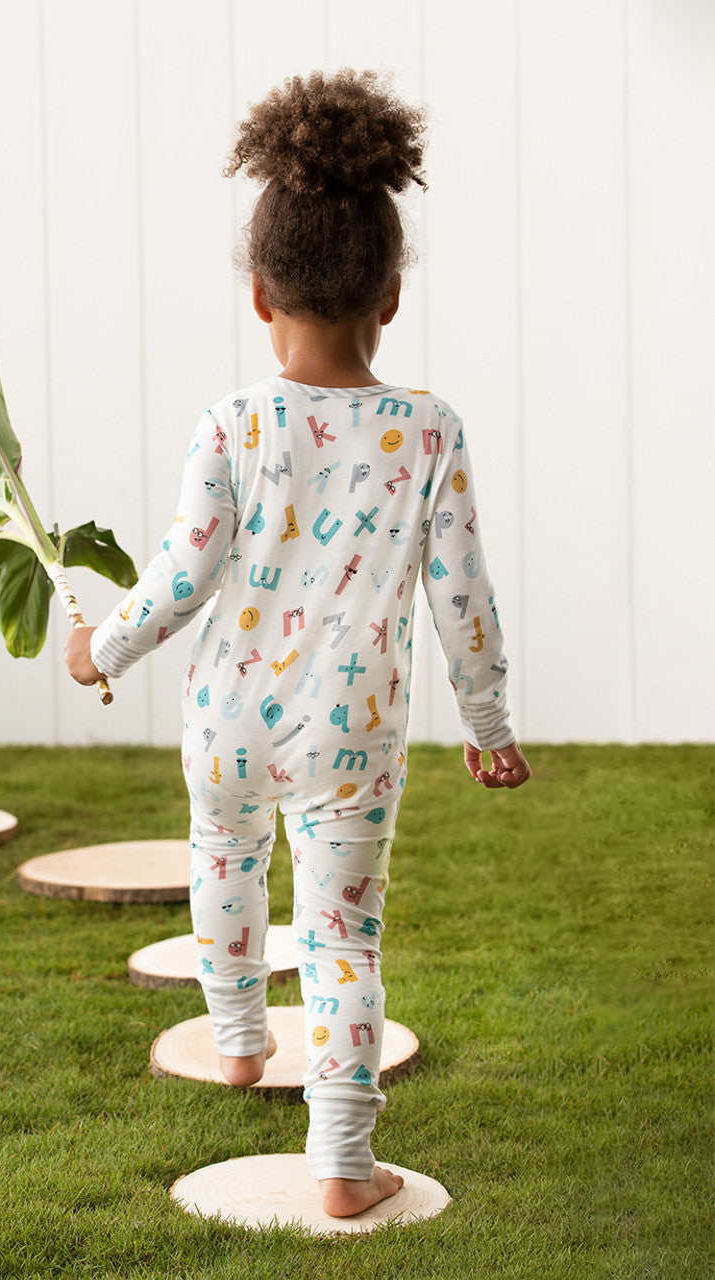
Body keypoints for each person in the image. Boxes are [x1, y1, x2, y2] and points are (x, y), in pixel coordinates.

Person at [65, 69, 531, 1218]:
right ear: (390, 293)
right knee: (339, 935)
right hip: (350, 736)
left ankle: (234, 1037)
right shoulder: (428, 431)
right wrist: (488, 724)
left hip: (225, 721)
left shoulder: (232, 422)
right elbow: (460, 595)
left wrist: (101, 649)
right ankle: (340, 1161)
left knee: (220, 864)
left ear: (260, 291)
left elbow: (181, 572)